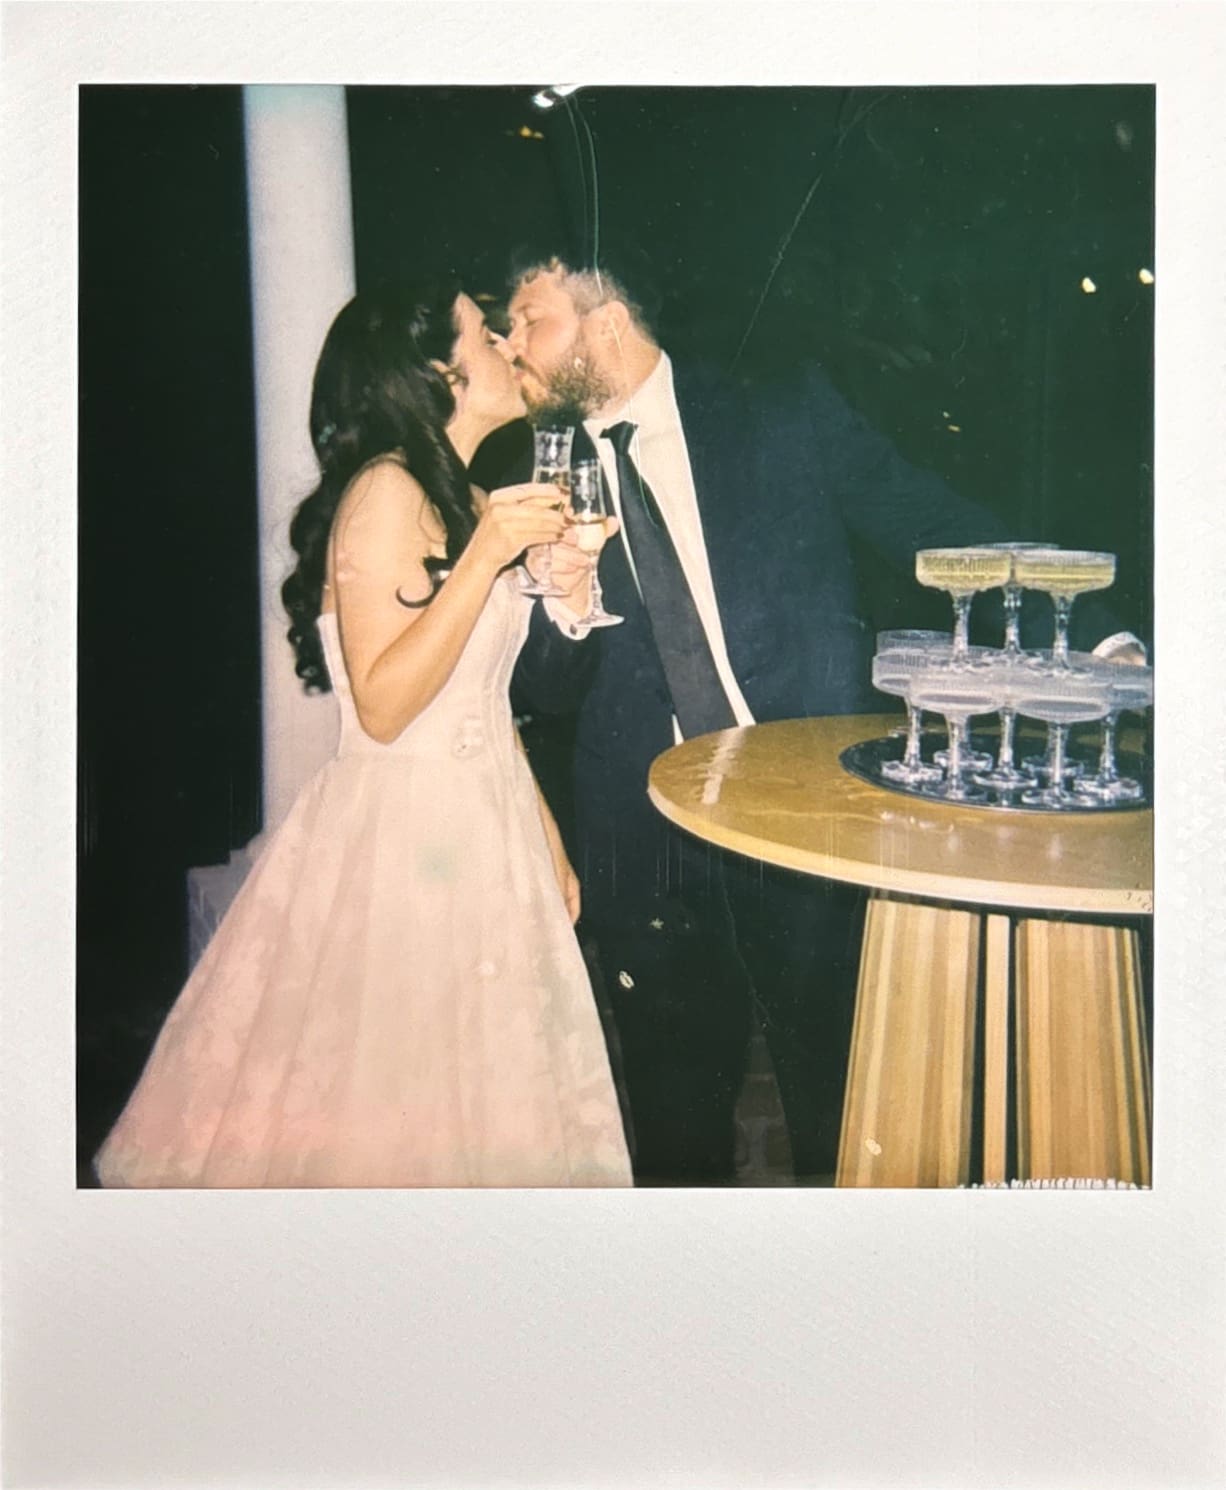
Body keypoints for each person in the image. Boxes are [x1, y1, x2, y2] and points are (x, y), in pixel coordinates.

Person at [504, 254, 1141, 1186]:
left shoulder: (777, 413)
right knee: (676, 1124)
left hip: (803, 820)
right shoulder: (535, 483)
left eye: (528, 319)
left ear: (604, 324)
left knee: (835, 1097)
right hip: (646, 841)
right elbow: (544, 693)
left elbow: (923, 513)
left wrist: (1084, 627)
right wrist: (561, 604)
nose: (510, 344)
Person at [94, 280, 632, 1188]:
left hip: (485, 823)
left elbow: (479, 699)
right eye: (482, 331)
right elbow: (382, 707)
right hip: (404, 839)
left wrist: (545, 836)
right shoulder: (384, 491)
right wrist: (488, 555)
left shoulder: (460, 492)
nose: (506, 341)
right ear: (433, 369)